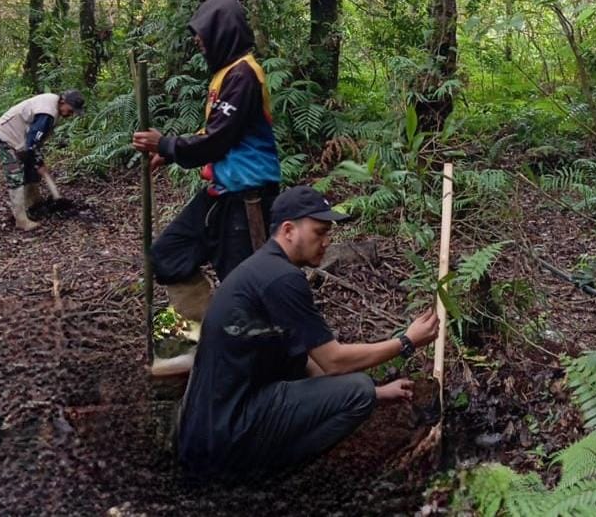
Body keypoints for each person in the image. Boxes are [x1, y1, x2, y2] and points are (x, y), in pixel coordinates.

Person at [175, 185, 440, 481]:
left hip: (203, 434)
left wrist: (380, 394)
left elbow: (305, 362)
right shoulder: (281, 278)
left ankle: (245, 468)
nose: (327, 241)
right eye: (319, 232)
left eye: (329, 233)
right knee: (359, 391)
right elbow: (333, 360)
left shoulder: (262, 270)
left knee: (364, 392)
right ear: (288, 230)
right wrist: (406, 341)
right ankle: (259, 474)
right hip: (227, 431)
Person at [132, 0, 280, 323]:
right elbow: (216, 132)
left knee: (244, 287)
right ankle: (207, 337)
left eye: (202, 32)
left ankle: (251, 358)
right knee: (167, 255)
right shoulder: (226, 74)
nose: (198, 40)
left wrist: (166, 144)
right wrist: (168, 153)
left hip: (247, 198)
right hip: (222, 192)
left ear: (221, 31)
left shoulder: (243, 74)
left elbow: (217, 140)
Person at [0, 89, 85, 231]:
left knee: (32, 167)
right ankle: (21, 219)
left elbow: (34, 142)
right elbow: (32, 142)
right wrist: (39, 163)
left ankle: (32, 201)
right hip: (6, 136)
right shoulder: (47, 113)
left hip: (21, 138)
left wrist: (38, 162)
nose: (71, 114)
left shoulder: (54, 107)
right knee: (15, 175)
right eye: (71, 110)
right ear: (63, 102)